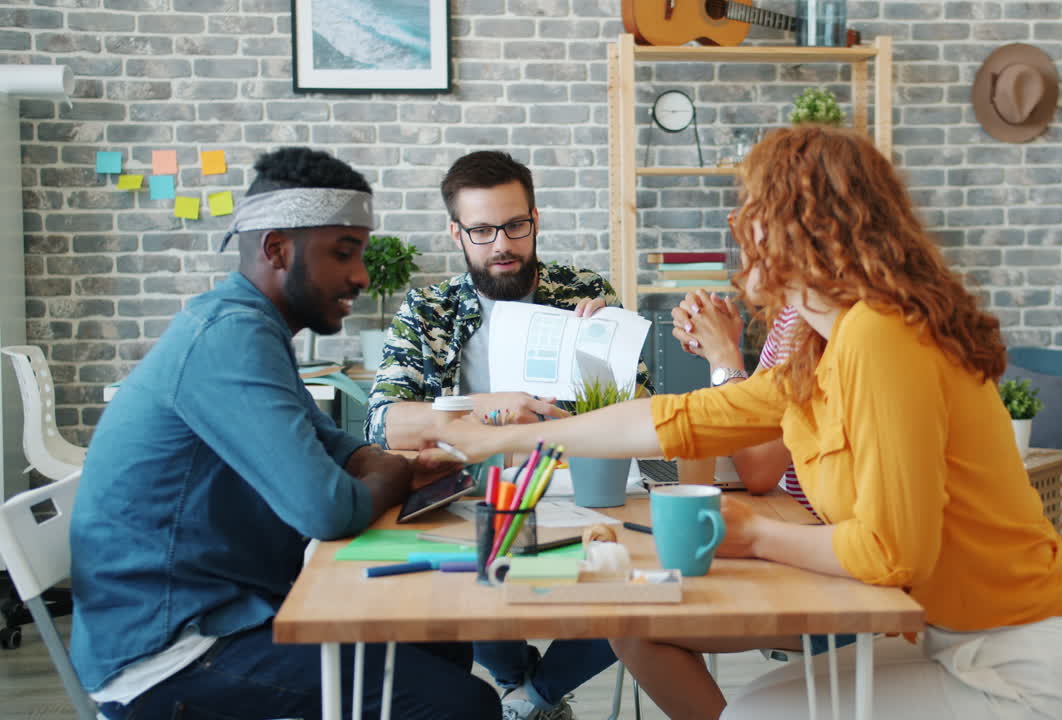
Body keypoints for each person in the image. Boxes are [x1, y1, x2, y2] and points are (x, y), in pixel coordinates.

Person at [421, 126, 1062, 720]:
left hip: (1025, 667)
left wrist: (757, 535)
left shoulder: (880, 335)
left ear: (803, 225)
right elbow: (684, 418)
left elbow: (892, 554)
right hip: (949, 637)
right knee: (738, 694)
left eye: (749, 211)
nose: (737, 229)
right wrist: (509, 438)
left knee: (750, 712)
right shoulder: (826, 342)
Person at [69, 147, 501, 720]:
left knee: (442, 643)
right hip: (171, 650)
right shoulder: (230, 336)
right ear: (276, 249)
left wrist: (379, 466)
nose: (361, 275)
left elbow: (337, 447)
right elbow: (328, 509)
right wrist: (395, 473)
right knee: (464, 705)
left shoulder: (251, 326)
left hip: (229, 610)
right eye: (343, 253)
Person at [366, 150, 648, 720]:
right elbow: (383, 419)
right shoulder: (430, 307)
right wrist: (485, 406)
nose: (502, 244)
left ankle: (526, 696)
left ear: (535, 219)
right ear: (457, 232)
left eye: (516, 225)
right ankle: (527, 691)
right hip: (474, 499)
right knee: (471, 569)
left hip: (581, 493)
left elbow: (640, 410)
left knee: (643, 583)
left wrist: (605, 348)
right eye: (482, 230)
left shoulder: (583, 290)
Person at [671, 291, 814, 515]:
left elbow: (758, 469)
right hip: (802, 520)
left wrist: (722, 355)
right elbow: (749, 423)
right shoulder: (790, 315)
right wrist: (717, 346)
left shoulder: (809, 319)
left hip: (817, 529)